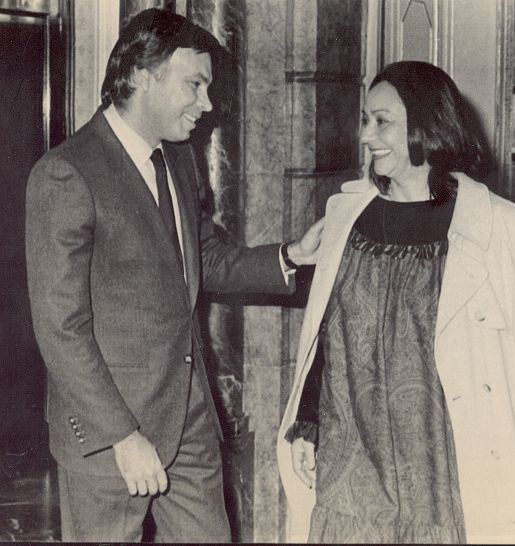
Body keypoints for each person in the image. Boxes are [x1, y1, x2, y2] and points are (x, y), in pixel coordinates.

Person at [25, 8, 322, 542]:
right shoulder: (67, 173)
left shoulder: (179, 160)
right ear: (143, 74)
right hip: (109, 434)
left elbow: (200, 258)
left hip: (189, 420)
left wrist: (293, 254)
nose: (206, 105)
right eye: (195, 84)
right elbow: (60, 329)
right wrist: (122, 435)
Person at [276, 61, 515, 544]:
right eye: (365, 120)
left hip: (448, 460)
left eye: (382, 121)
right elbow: (328, 337)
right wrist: (308, 421)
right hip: (353, 455)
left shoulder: (504, 228)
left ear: (426, 125)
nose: (367, 136)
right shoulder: (346, 216)